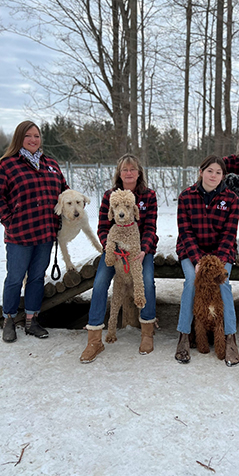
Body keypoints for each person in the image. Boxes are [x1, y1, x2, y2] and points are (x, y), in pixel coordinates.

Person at [0, 120, 69, 343]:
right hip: (20, 235)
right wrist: (8, 219)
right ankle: (9, 320)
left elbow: (64, 190)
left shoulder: (51, 164)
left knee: (36, 278)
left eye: (37, 136)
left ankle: (32, 320)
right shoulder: (7, 165)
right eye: (28, 136)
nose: (33, 140)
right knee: (15, 279)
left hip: (45, 233)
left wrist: (72, 204)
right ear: (19, 139)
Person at [80, 154, 158, 363]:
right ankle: (95, 339)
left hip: (140, 251)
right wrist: (110, 248)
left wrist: (143, 250)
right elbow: (103, 228)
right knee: (99, 283)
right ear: (119, 173)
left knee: (147, 282)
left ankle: (147, 332)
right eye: (125, 170)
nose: (129, 173)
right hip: (114, 251)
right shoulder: (109, 196)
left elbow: (150, 227)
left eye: (133, 169)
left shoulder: (149, 196)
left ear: (139, 172)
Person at [174, 155, 239, 366]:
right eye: (210, 171)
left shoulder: (231, 199)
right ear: (201, 172)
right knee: (192, 281)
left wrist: (217, 264)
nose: (213, 175)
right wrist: (197, 260)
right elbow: (185, 232)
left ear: (223, 176)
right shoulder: (186, 196)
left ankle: (230, 337)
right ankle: (184, 335)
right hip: (191, 250)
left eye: (218, 172)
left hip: (221, 252)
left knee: (224, 285)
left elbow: (229, 235)